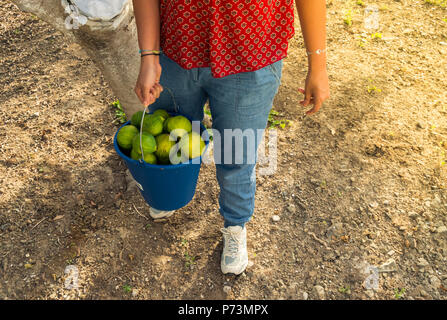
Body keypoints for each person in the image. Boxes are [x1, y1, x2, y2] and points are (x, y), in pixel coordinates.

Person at [132, 0, 329, 275]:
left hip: (252, 56)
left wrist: (317, 63)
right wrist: (149, 55)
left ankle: (235, 224)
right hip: (176, 49)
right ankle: (168, 194)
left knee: (236, 153)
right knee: (172, 137)